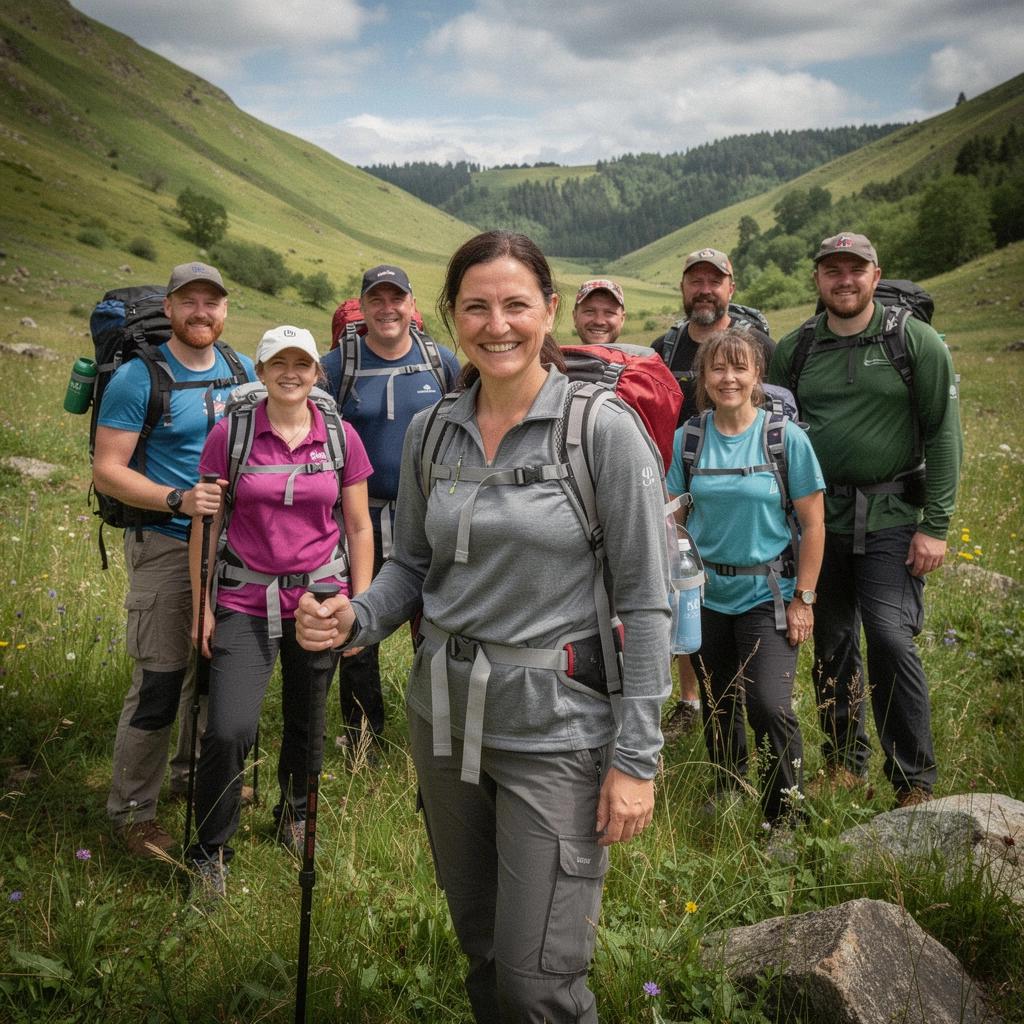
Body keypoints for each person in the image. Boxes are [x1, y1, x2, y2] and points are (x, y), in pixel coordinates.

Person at [297, 231, 671, 1023]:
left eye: (515, 305)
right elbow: (412, 565)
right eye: (476, 307)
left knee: (539, 984)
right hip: (443, 721)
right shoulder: (434, 429)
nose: (496, 325)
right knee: (484, 951)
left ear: (549, 311)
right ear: (449, 317)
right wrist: (356, 616)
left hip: (556, 732)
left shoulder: (601, 431)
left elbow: (646, 602)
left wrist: (636, 758)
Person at [768, 232, 962, 808]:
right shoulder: (796, 348)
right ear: (818, 279)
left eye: (856, 269)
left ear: (876, 276)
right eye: (833, 270)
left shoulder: (915, 341)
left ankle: (913, 781)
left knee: (889, 638)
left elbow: (943, 433)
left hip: (893, 515)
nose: (844, 279)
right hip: (817, 522)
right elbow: (773, 433)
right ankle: (845, 765)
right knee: (831, 643)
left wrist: (937, 525)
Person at [186, 326, 374, 895]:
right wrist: (201, 607)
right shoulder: (231, 434)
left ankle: (293, 815)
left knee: (308, 721)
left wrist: (361, 609)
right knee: (229, 729)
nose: (291, 373)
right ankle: (210, 850)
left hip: (320, 600)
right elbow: (207, 523)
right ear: (262, 371)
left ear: (317, 373)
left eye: (302, 364)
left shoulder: (341, 437)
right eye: (278, 363)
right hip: (244, 598)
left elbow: (359, 526)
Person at [93, 261, 254, 858]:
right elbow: (107, 470)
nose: (201, 312)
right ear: (169, 307)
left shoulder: (241, 370)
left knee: (217, 671)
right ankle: (133, 812)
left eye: (212, 302)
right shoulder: (138, 377)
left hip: (233, 546)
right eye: (189, 301)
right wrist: (176, 499)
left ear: (225, 309)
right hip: (164, 540)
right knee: (162, 680)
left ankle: (193, 777)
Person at [667, 329, 825, 824]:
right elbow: (672, 518)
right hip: (706, 595)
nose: (728, 378)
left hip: (768, 594)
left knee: (769, 705)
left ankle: (786, 815)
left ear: (757, 375)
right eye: (718, 368)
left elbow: (814, 524)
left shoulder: (785, 439)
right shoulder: (689, 439)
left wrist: (804, 599)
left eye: (739, 368)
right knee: (718, 701)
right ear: (704, 377)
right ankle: (729, 787)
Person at [321, 265, 460, 761]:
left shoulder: (440, 361)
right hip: (360, 521)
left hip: (429, 517)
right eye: (376, 300)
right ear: (363, 306)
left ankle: (440, 734)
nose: (387, 309)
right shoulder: (337, 366)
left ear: (411, 304)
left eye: (396, 298)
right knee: (360, 624)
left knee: (438, 624)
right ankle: (364, 741)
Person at [653, 246, 776, 739]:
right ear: (683, 288)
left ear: (730, 287)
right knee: (689, 593)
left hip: (748, 485)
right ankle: (693, 700)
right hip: (683, 481)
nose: (704, 290)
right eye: (695, 281)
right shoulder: (665, 348)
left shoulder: (758, 345)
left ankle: (758, 691)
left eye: (714, 281)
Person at [571, 278, 627, 345]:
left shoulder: (636, 351)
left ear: (622, 319)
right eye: (589, 312)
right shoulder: (561, 352)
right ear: (575, 317)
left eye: (609, 313)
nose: (599, 322)